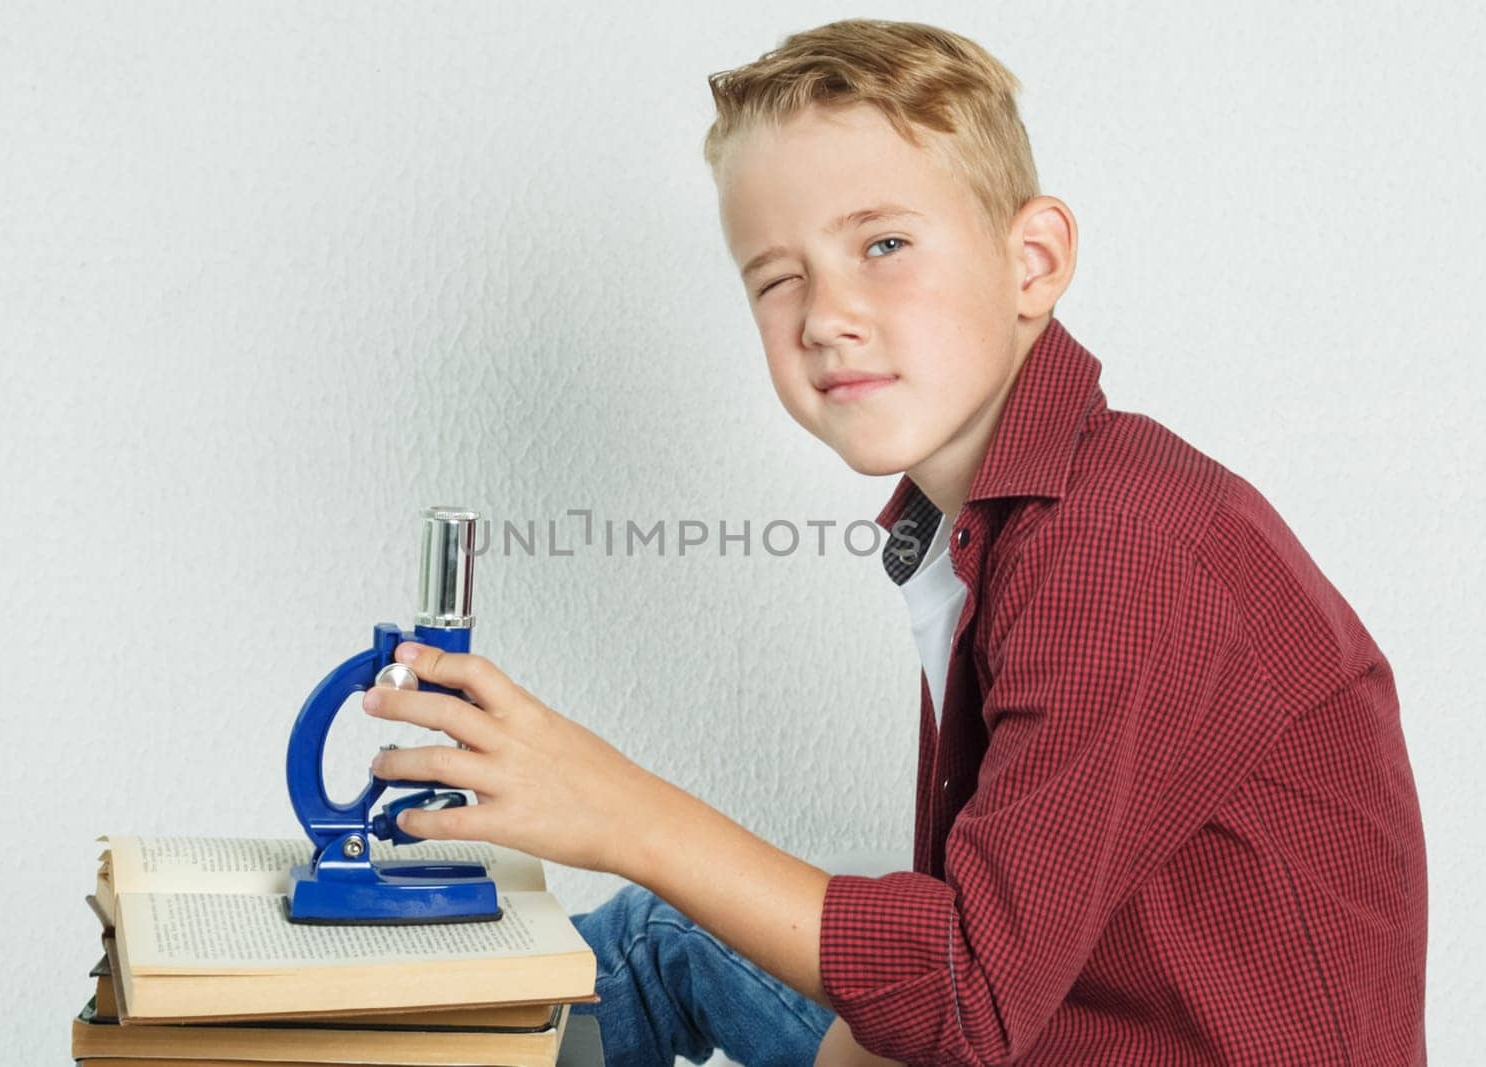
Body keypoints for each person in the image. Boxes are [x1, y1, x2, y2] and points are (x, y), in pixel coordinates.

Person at [363, 18, 1428, 1066]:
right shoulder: (1003, 524)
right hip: (1055, 1028)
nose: (825, 314)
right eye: (776, 277)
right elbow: (1003, 958)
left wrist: (621, 809)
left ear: (1033, 260)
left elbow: (970, 995)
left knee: (660, 924)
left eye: (882, 245)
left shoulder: (1121, 549)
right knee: (666, 933)